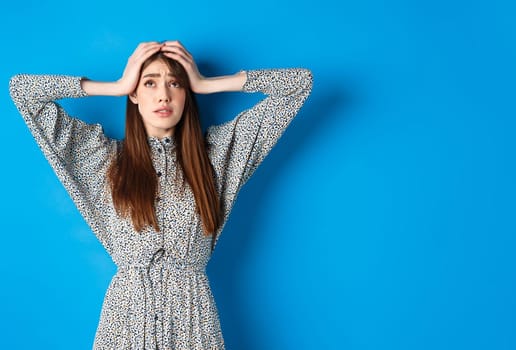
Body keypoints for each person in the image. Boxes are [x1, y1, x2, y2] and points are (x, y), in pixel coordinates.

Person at [9, 41, 313, 349]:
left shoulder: (218, 156)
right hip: (125, 325)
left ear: (186, 94)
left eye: (175, 83)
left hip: (195, 325)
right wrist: (116, 86)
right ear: (135, 94)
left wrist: (207, 84)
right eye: (150, 82)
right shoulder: (102, 160)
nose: (163, 94)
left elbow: (299, 85)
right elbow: (23, 91)